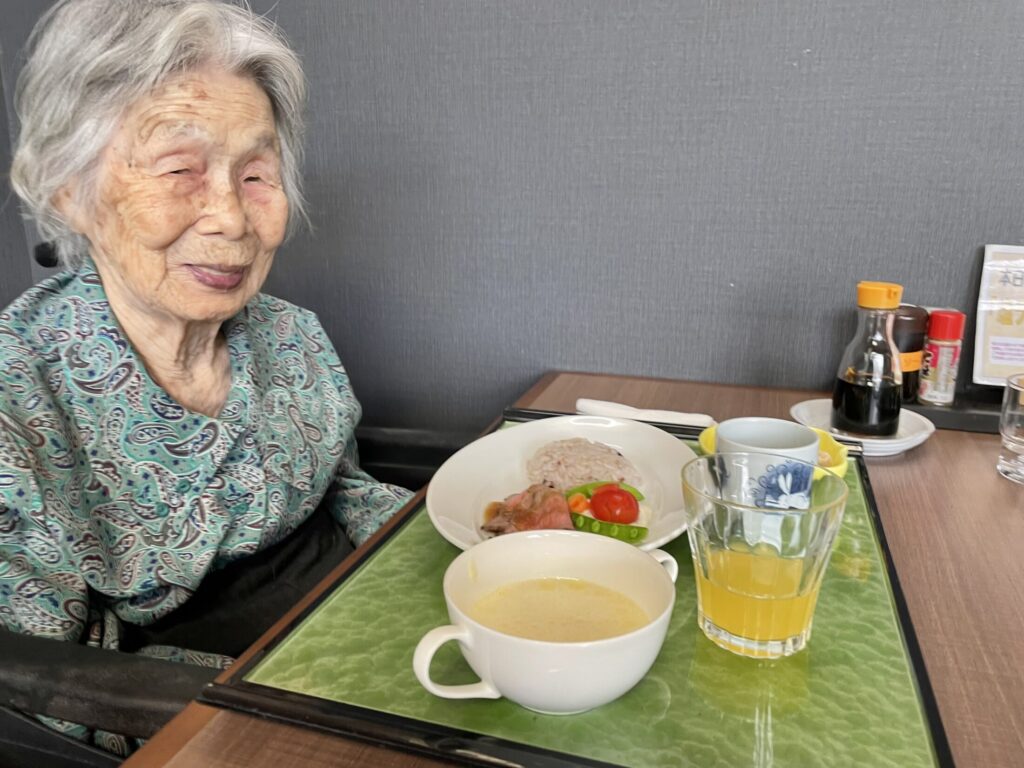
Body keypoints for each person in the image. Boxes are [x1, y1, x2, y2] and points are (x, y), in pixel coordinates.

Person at [1, 0, 411, 755]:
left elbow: (345, 491)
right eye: (179, 169)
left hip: (385, 629)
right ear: (68, 190)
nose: (231, 217)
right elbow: (37, 692)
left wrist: (451, 545)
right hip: (232, 717)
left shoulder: (290, 334)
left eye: (255, 174)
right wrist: (315, 699)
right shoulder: (17, 401)